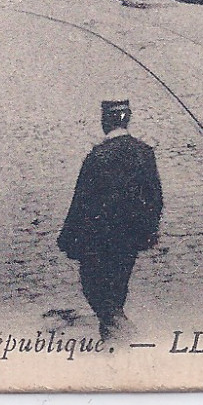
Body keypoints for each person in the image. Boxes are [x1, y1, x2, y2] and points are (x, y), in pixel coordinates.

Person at [57, 100, 164, 343]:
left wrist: (70, 240)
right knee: (117, 290)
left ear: (105, 122)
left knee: (95, 290)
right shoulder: (145, 152)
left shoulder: (98, 157)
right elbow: (155, 197)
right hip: (131, 240)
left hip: (99, 240)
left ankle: (123, 333)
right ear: (128, 120)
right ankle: (112, 343)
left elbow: (81, 201)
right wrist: (149, 231)